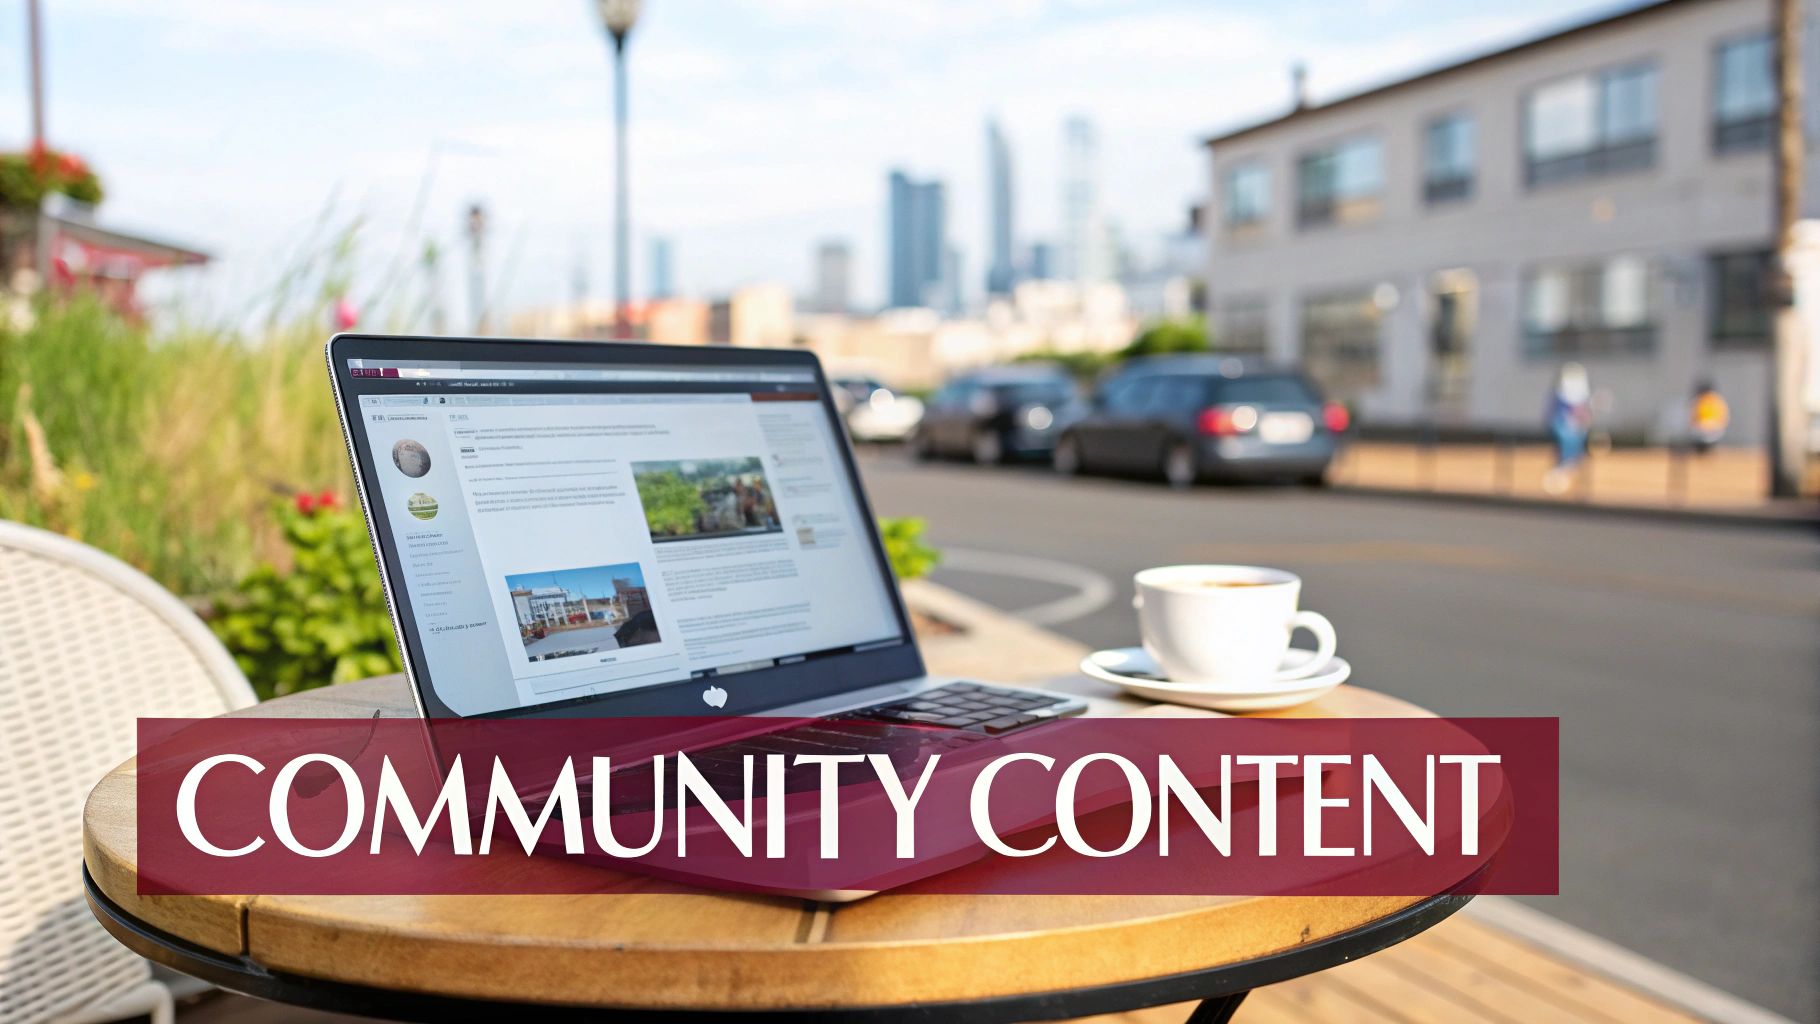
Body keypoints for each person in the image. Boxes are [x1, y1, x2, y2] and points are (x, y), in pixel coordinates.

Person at [1544, 363, 1593, 495]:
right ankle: (1563, 468)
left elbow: (1584, 415)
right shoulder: (1559, 395)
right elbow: (1554, 415)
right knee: (1568, 436)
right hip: (1561, 426)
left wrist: (1581, 419)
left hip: (1576, 428)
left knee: (1578, 437)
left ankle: (1569, 467)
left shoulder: (1582, 397)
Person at [1689, 379, 1730, 453]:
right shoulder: (1701, 400)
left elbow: (1723, 417)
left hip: (1712, 428)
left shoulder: (1714, 400)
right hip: (1703, 428)